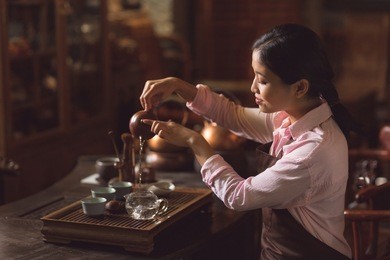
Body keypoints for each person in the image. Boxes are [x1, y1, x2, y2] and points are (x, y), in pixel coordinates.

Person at [139, 24, 360, 259]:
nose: (253, 87)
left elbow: (239, 195)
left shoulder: (312, 151)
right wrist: (177, 85)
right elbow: (234, 116)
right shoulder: (290, 117)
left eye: (262, 80)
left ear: (300, 87)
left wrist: (196, 142)